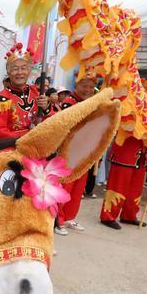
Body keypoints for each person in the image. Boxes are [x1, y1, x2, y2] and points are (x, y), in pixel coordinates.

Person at [55, 76, 97, 234]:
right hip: (70, 152)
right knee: (66, 186)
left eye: (91, 87)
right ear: (76, 86)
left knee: (78, 188)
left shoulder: (91, 103)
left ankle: (70, 217)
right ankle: (58, 219)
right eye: (84, 85)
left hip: (84, 152)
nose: (87, 90)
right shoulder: (69, 103)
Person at [0, 42, 52, 140]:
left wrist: (46, 108)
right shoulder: (0, 100)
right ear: (8, 72)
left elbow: (51, 123)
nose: (19, 72)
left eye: (24, 68)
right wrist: (27, 137)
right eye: (15, 69)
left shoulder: (37, 93)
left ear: (29, 71)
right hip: (12, 149)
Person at [99, 135, 147, 230]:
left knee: (135, 189)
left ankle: (129, 215)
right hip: (125, 151)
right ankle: (108, 216)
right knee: (118, 186)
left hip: (142, 154)